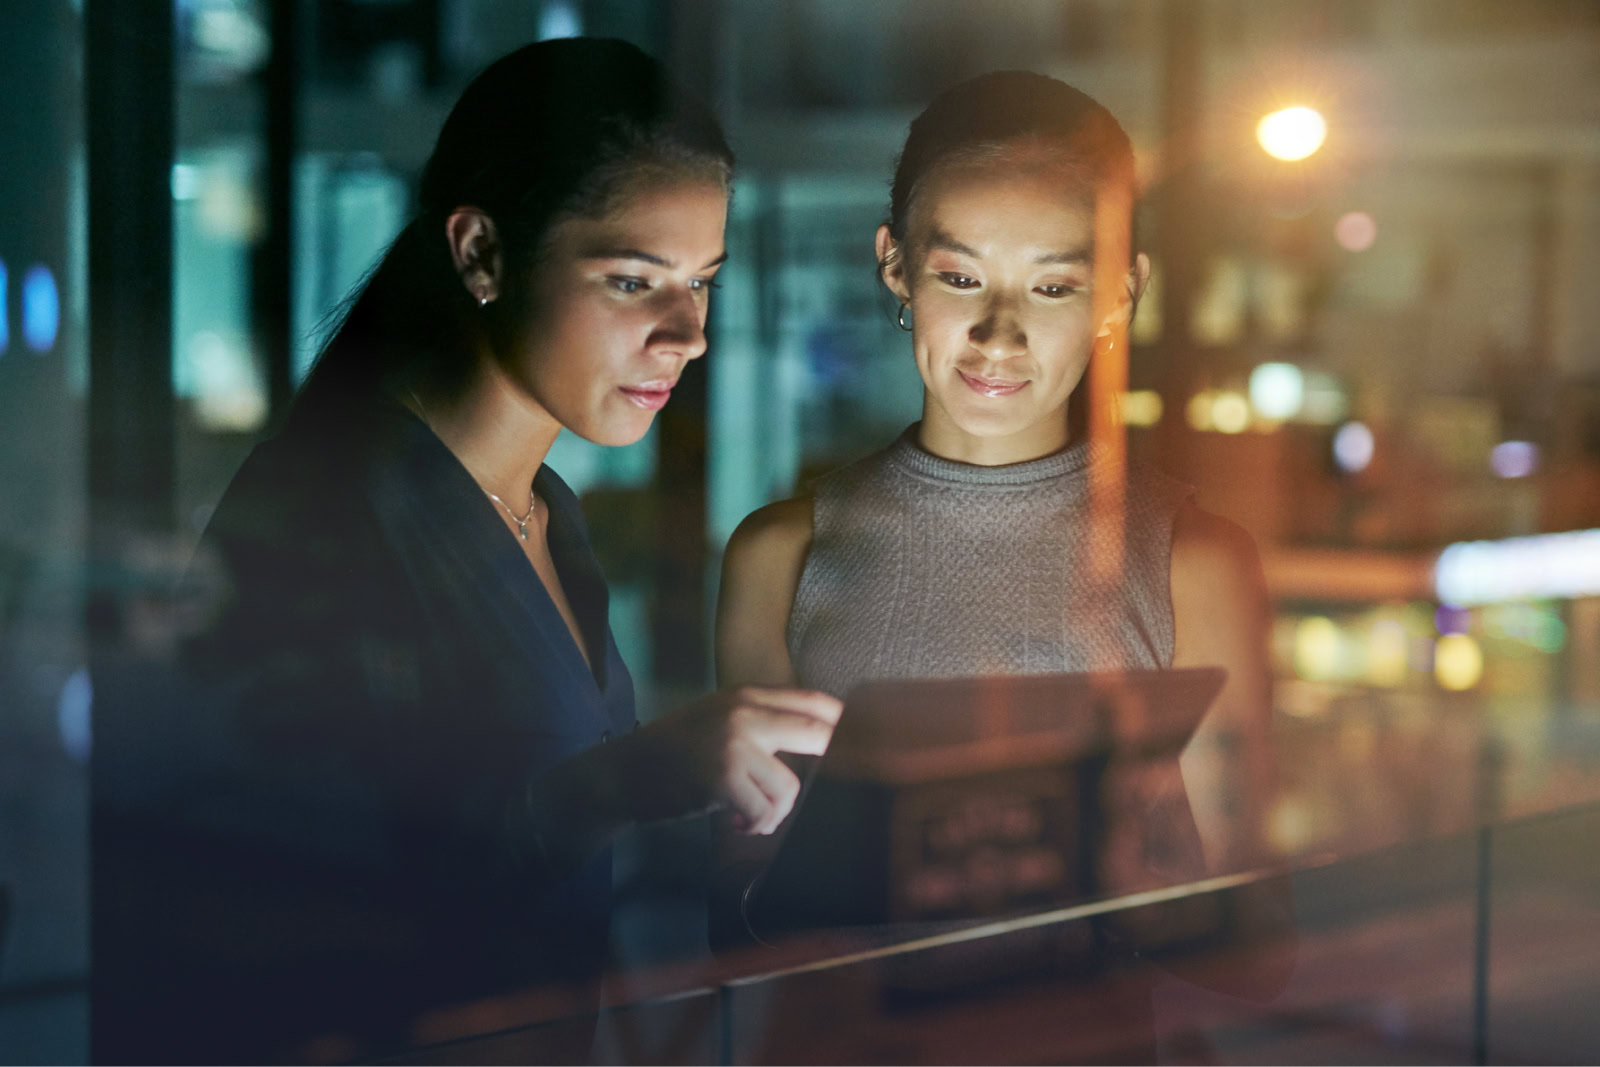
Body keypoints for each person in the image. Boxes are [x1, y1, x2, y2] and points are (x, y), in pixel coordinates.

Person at [92, 37, 838, 1063]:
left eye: (702, 281)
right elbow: (275, 903)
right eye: (634, 281)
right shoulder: (322, 508)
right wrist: (626, 780)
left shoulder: (548, 516)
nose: (688, 331)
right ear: (482, 251)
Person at [715, 71, 1293, 1008]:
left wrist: (1138, 900)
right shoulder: (781, 556)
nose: (999, 333)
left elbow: (1258, 944)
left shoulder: (1195, 562)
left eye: (1055, 285)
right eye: (960, 276)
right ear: (896, 265)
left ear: (1123, 289)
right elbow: (733, 915)